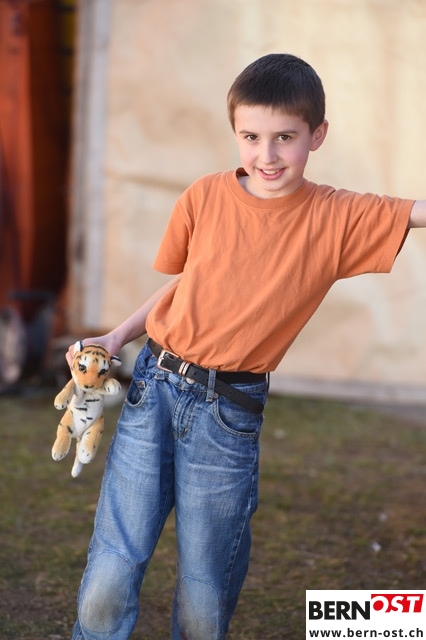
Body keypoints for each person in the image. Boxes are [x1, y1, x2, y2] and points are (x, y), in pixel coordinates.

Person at [69, 53, 426, 640]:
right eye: (252, 137)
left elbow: (415, 212)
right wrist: (115, 336)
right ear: (234, 132)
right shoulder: (204, 195)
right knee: (114, 558)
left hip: (227, 412)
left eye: (286, 137)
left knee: (205, 583)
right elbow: (189, 284)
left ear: (317, 135)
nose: (268, 155)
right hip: (154, 386)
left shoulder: (336, 216)